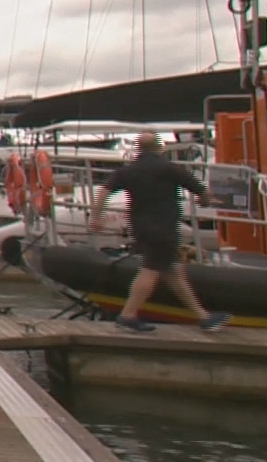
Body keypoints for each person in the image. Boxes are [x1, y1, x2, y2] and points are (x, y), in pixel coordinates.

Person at [92, 133, 229, 333]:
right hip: (163, 227)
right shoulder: (169, 168)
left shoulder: (128, 171)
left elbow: (104, 191)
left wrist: (96, 217)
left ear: (139, 148)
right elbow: (201, 192)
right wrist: (207, 200)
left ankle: (204, 317)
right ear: (160, 147)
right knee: (150, 271)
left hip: (140, 226)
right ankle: (128, 315)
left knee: (173, 272)